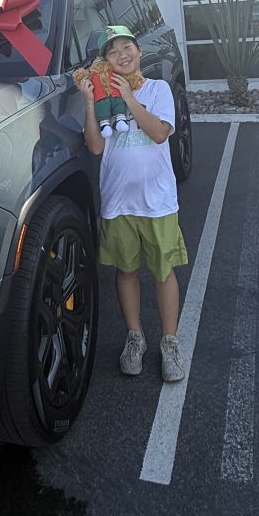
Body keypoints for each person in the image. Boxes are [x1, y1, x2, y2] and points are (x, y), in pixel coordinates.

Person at [78, 24, 188, 382]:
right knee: (126, 272)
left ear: (140, 52)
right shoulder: (100, 93)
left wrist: (128, 99)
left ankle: (169, 341)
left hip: (157, 202)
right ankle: (135, 336)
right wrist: (91, 104)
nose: (122, 55)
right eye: (113, 52)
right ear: (104, 61)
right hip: (118, 201)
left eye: (127, 47)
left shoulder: (158, 89)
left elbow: (159, 133)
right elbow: (95, 147)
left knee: (162, 271)